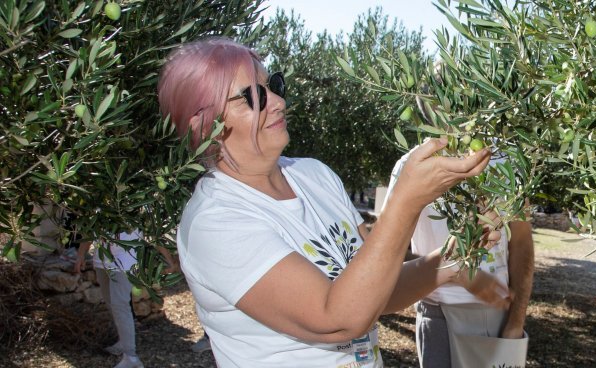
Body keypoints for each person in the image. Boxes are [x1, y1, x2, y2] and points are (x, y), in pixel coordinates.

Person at [157, 37, 510, 367]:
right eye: (253, 96)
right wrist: (406, 200)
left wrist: (448, 262)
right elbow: (338, 320)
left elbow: (374, 294)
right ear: (205, 125)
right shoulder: (216, 221)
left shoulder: (315, 176)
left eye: (273, 86)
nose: (279, 102)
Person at [383, 150, 534, 368]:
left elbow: (522, 244)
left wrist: (516, 321)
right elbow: (386, 254)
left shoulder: (508, 159)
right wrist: (458, 272)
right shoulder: (410, 166)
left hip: (496, 316)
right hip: (434, 316)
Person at [74, 230, 144, 368]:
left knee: (120, 304)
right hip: (102, 261)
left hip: (126, 261)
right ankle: (123, 342)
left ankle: (131, 357)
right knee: (111, 303)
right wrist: (81, 255)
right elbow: (89, 226)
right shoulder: (96, 207)